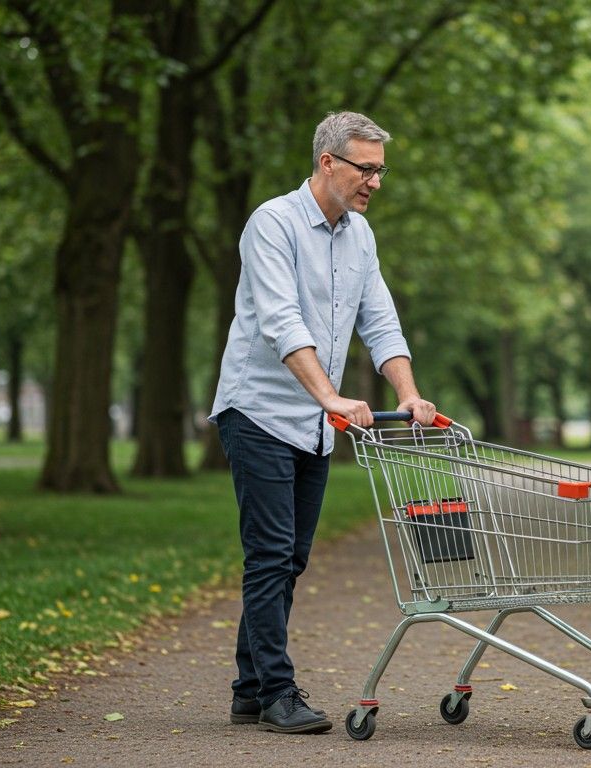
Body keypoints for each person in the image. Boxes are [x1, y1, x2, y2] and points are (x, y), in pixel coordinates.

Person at [209, 111, 436, 734]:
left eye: (381, 171)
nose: (375, 183)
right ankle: (276, 692)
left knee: (291, 558)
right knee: (270, 554)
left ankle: (248, 688)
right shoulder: (272, 223)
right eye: (366, 169)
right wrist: (331, 396)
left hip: (313, 422)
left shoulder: (360, 236)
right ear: (328, 162)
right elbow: (281, 321)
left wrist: (410, 395)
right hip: (257, 411)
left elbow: (380, 321)